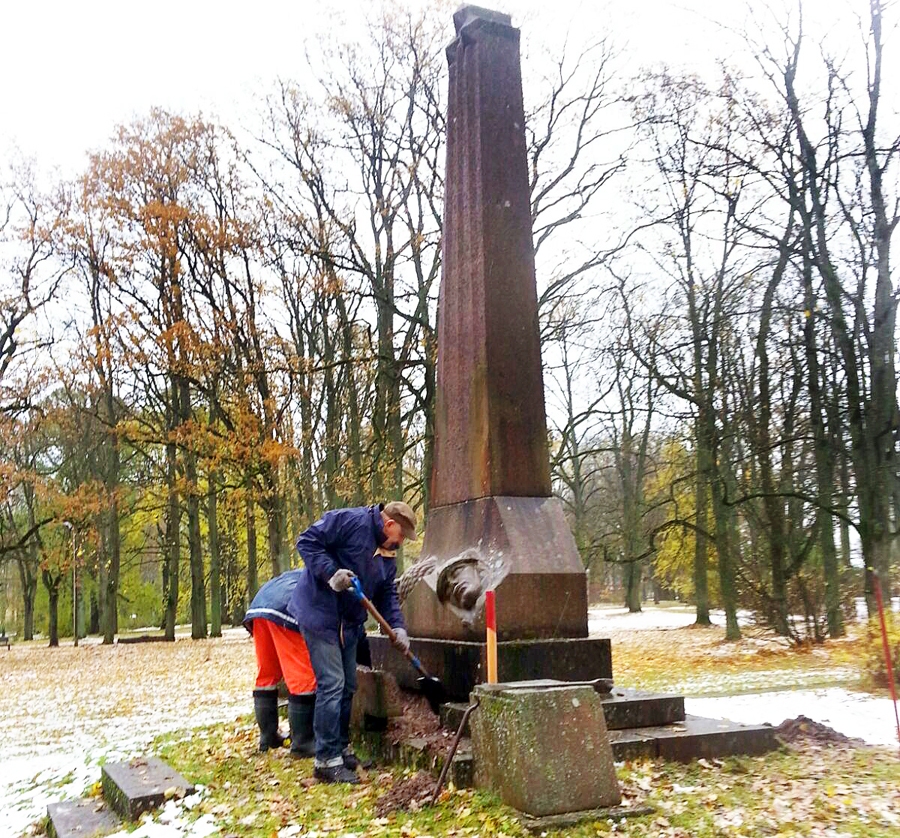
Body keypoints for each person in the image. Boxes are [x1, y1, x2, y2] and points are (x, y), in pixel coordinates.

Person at [287, 501, 416, 784]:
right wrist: (331, 572)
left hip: (350, 623)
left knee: (348, 685)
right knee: (331, 683)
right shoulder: (349, 521)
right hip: (320, 614)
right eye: (401, 535)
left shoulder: (387, 554)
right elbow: (307, 541)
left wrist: (398, 627)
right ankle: (325, 761)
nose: (401, 542)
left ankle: (340, 749)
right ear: (389, 525)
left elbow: (387, 595)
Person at [243, 569, 316, 759]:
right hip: (286, 611)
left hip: (259, 608)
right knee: (302, 677)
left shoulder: (300, 573)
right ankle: (303, 742)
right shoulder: (324, 577)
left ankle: (267, 737)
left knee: (267, 673)